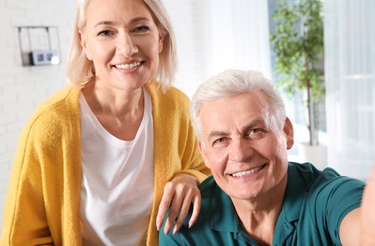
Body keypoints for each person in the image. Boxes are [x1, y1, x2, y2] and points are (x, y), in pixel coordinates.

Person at [0, 0, 210, 245]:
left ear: (161, 38)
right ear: (84, 43)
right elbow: (21, 239)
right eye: (106, 32)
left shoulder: (175, 105)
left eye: (140, 28)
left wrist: (189, 177)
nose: (127, 48)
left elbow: (205, 168)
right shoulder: (49, 126)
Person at [159, 69, 375, 245]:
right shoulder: (183, 224)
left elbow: (363, 231)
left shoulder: (330, 197)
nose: (240, 154)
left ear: (287, 132)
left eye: (254, 131)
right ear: (204, 153)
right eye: (221, 140)